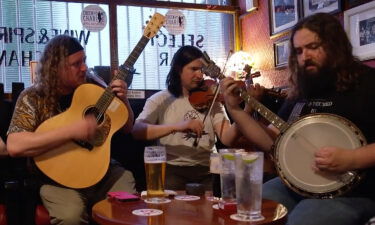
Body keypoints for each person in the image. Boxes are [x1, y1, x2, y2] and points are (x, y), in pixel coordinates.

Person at [220, 13, 375, 225]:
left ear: (335, 45)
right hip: (296, 186)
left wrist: (352, 159)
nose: (305, 56)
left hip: (355, 192)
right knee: (249, 207)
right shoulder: (303, 90)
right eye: (299, 51)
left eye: (313, 47)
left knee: (304, 219)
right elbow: (273, 140)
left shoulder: (368, 84)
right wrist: (235, 109)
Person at [6, 35, 136, 225]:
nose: (84, 67)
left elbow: (127, 127)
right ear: (55, 67)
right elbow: (15, 146)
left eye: (84, 60)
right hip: (57, 180)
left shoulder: (93, 89)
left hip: (100, 172)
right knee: (70, 216)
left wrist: (123, 100)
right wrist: (72, 131)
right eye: (76, 64)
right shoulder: (33, 97)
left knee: (127, 198)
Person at [131, 45, 252, 190]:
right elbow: (137, 130)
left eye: (202, 70)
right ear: (178, 69)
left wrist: (246, 110)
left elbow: (227, 138)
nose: (200, 75)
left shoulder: (211, 98)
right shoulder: (160, 99)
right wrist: (177, 127)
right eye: (194, 69)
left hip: (208, 168)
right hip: (172, 168)